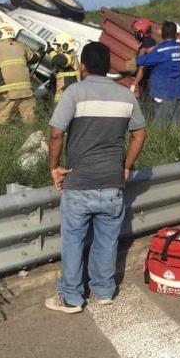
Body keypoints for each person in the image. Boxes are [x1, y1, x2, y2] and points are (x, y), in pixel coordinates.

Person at [45, 42, 147, 313]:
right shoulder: (126, 96)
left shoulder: (75, 93)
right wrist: (126, 166)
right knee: (106, 240)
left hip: (79, 184)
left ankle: (72, 297)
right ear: (108, 65)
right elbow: (139, 134)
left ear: (83, 66)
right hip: (112, 184)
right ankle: (103, 290)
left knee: (74, 241)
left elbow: (56, 133)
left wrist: (54, 167)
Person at [0, 24, 41, 125]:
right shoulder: (22, 46)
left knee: (2, 118)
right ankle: (34, 137)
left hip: (6, 90)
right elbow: (34, 59)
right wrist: (39, 52)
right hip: (26, 89)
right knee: (29, 117)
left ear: (2, 34)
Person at [136, 20, 180, 126]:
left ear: (163, 34)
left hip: (164, 94)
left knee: (160, 127)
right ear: (175, 33)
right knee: (175, 127)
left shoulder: (160, 51)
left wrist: (142, 53)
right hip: (179, 92)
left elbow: (140, 61)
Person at [124, 18, 156, 97]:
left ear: (141, 34)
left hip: (148, 83)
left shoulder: (146, 46)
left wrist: (133, 85)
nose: (135, 34)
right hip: (149, 81)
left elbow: (143, 68)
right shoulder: (150, 41)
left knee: (145, 105)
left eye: (136, 32)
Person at [50, 32, 80, 102]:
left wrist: (51, 52)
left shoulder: (70, 56)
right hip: (66, 96)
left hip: (66, 96)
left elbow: (58, 60)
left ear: (65, 46)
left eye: (58, 46)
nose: (56, 48)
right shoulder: (70, 56)